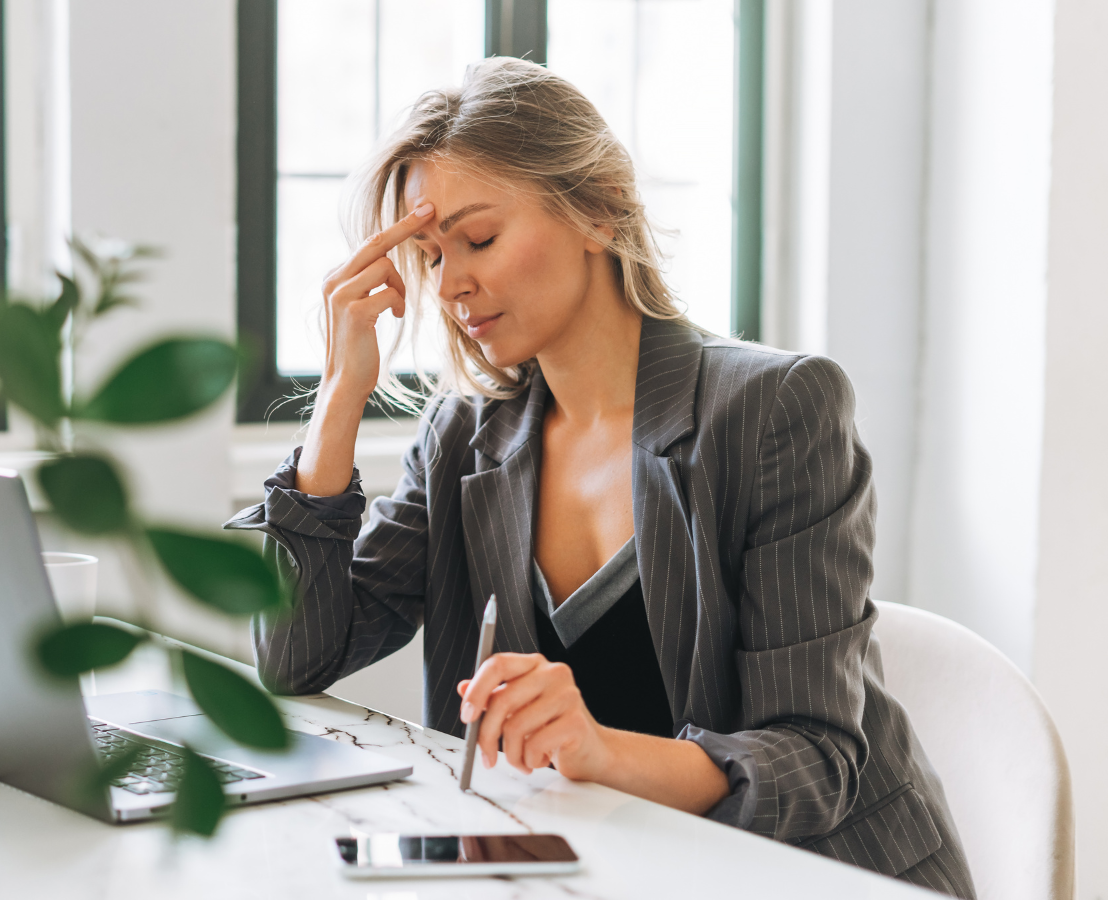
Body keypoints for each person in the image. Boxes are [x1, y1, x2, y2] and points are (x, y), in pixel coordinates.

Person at [226, 58, 974, 896]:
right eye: (430, 259)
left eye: (479, 239)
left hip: (811, 875)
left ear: (598, 209)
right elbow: (296, 660)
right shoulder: (466, 436)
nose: (453, 284)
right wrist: (338, 400)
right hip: (611, 869)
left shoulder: (774, 410)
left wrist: (599, 749)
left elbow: (814, 761)